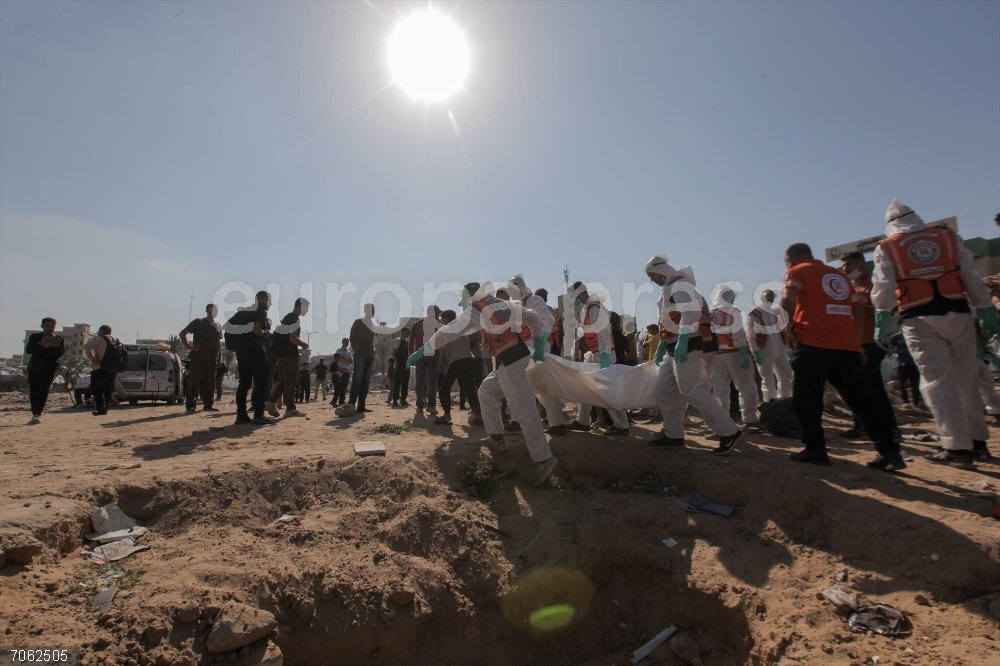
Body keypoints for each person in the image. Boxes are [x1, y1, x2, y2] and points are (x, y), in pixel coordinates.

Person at [871, 199, 998, 466]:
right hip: (958, 312)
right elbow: (970, 277)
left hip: (919, 318)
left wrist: (882, 316)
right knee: (967, 378)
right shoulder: (947, 237)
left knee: (937, 382)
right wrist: (985, 308)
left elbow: (884, 285)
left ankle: (956, 448)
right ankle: (978, 443)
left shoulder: (888, 247)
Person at [407, 282, 558, 486]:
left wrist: (422, 350)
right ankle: (496, 437)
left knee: (523, 409)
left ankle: (544, 460)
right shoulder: (500, 303)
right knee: (486, 392)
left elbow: (448, 332)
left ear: (469, 297)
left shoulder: (475, 310)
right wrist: (539, 343)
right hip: (515, 356)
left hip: (510, 359)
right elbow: (531, 317)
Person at [781, 242, 903, 470]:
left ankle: (815, 449)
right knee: (862, 401)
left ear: (790, 259)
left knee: (805, 400)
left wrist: (788, 328)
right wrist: (857, 342)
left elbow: (788, 299)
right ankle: (890, 451)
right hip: (846, 348)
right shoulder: (839, 276)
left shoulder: (797, 272)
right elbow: (858, 308)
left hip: (813, 343)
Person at [644, 255, 744, 454]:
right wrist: (664, 345)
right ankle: (674, 435)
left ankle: (730, 432)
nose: (652, 280)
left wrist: (682, 339)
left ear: (661, 271)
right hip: (673, 347)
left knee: (691, 389)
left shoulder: (680, 286)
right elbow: (668, 320)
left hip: (687, 344)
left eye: (652, 275)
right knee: (664, 391)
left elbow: (691, 312)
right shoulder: (670, 290)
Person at [838, 251, 900, 441]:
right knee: (874, 387)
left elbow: (891, 308)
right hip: (857, 342)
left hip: (873, 342)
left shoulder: (874, 285)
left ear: (860, 265)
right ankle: (890, 427)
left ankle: (864, 426)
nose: (844, 269)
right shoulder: (850, 288)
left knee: (857, 385)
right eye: (844, 266)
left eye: (848, 265)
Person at [709, 287, 760, 428]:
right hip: (735, 352)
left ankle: (722, 422)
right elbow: (737, 333)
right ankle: (749, 419)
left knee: (719, 390)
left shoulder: (711, 314)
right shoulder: (733, 310)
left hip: (717, 355)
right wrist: (744, 351)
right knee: (746, 386)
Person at [224, 290, 274, 425]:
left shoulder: (243, 312)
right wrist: (265, 333)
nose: (270, 303)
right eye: (269, 300)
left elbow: (226, 326)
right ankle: (258, 414)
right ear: (262, 298)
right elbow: (257, 330)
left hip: (242, 352)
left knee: (244, 384)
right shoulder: (260, 312)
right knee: (261, 383)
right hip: (256, 351)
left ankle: (241, 415)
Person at [433, 309, 482, 426]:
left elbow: (434, 345)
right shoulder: (461, 328)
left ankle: (447, 415)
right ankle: (478, 415)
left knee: (444, 388)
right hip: (469, 360)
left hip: (457, 361)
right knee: (469, 388)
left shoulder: (445, 330)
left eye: (441, 318)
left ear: (446, 319)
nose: (440, 321)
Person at [745, 289, 793, 402]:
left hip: (780, 347)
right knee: (768, 379)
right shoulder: (755, 312)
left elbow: (784, 331)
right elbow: (750, 333)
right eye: (768, 296)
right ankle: (770, 403)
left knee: (787, 375)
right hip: (764, 349)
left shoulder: (777, 311)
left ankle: (785, 400)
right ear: (762, 297)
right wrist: (755, 351)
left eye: (772, 296)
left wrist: (788, 349)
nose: (770, 298)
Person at [266, 298, 310, 417]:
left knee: (284, 382)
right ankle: (290, 408)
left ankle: (271, 401)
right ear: (301, 307)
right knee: (291, 381)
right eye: (306, 307)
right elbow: (292, 338)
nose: (307, 310)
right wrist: (303, 344)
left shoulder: (287, 317)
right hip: (290, 355)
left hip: (280, 355)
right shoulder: (294, 318)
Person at [180, 304, 223, 413]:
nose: (215, 311)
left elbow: (218, 343)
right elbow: (182, 333)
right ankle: (190, 406)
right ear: (207, 310)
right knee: (194, 382)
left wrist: (219, 358)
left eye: (216, 310)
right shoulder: (198, 322)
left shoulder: (218, 325)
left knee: (210, 383)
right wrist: (190, 347)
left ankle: (208, 405)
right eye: (212, 309)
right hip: (199, 358)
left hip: (212, 359)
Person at [24, 317, 65, 424]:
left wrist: (55, 347)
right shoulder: (35, 337)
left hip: (50, 368)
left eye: (52, 326)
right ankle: (34, 413)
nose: (50, 328)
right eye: (47, 326)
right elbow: (29, 350)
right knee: (34, 390)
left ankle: (37, 413)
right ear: (42, 326)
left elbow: (60, 353)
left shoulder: (58, 339)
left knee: (44, 389)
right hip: (35, 368)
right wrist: (42, 346)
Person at [83, 324, 121, 417]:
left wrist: (92, 358)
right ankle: (106, 408)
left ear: (101, 331)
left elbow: (87, 347)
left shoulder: (99, 338)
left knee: (97, 389)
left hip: (99, 367)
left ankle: (100, 409)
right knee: (108, 389)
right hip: (112, 369)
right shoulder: (116, 340)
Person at [410, 306, 441, 414]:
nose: (438, 316)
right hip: (432, 354)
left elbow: (411, 339)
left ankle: (419, 405)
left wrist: (411, 354)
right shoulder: (437, 324)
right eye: (437, 313)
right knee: (432, 381)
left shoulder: (417, 324)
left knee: (420, 380)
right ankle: (431, 405)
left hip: (420, 354)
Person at [348, 303, 377, 413]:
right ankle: (351, 404)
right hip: (360, 355)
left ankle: (361, 406)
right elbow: (352, 337)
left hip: (371, 356)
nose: (372, 312)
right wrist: (357, 350)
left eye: (373, 310)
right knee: (357, 380)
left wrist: (373, 353)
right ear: (366, 310)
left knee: (366, 381)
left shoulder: (372, 325)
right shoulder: (358, 322)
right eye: (370, 309)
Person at [889, 331, 922, 407]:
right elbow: (892, 349)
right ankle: (905, 401)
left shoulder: (914, 333)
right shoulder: (897, 337)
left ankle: (917, 402)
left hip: (914, 363)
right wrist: (906, 351)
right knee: (902, 383)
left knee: (915, 384)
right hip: (902, 363)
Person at [391, 328, 411, 407]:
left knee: (405, 382)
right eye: (406, 332)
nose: (407, 334)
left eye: (408, 333)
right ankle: (395, 400)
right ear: (402, 332)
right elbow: (394, 353)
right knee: (397, 382)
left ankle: (403, 400)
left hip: (406, 364)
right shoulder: (398, 340)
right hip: (400, 364)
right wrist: (396, 361)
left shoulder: (407, 342)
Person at [331, 339, 352, 406]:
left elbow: (351, 362)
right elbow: (339, 358)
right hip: (340, 370)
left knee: (344, 387)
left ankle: (341, 401)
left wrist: (344, 359)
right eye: (345, 342)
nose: (346, 343)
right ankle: (336, 401)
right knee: (339, 387)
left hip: (346, 370)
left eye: (347, 342)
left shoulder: (349, 352)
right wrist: (346, 360)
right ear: (342, 342)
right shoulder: (339, 350)